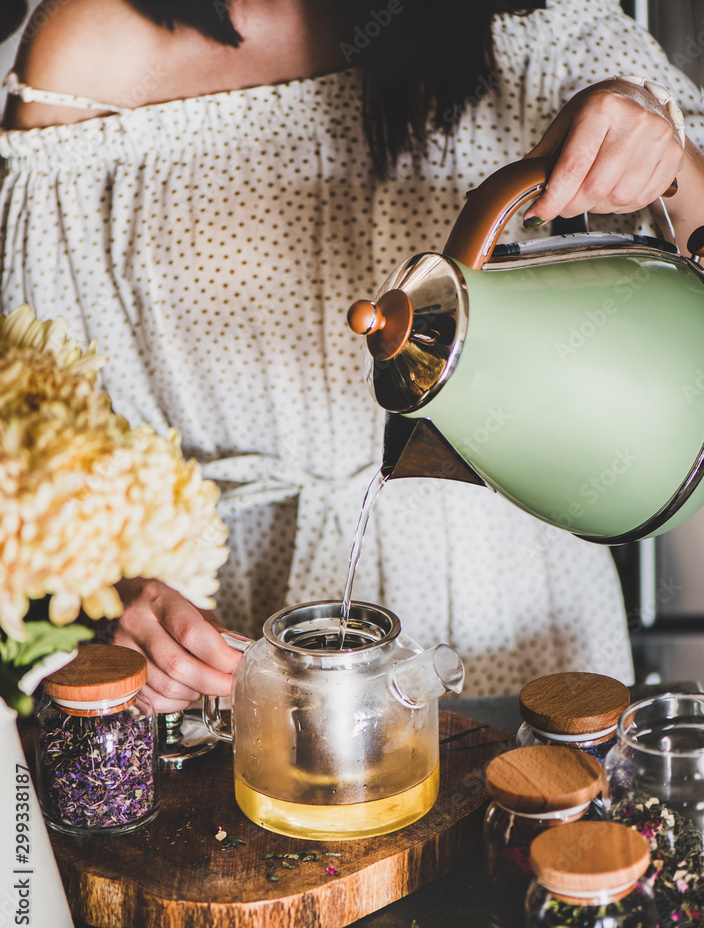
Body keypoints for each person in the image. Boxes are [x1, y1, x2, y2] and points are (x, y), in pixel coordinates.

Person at [1, 0, 703, 711]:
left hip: (530, 614)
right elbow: (39, 426)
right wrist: (109, 607)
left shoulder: (533, 19)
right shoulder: (89, 48)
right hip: (228, 655)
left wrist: (661, 147)